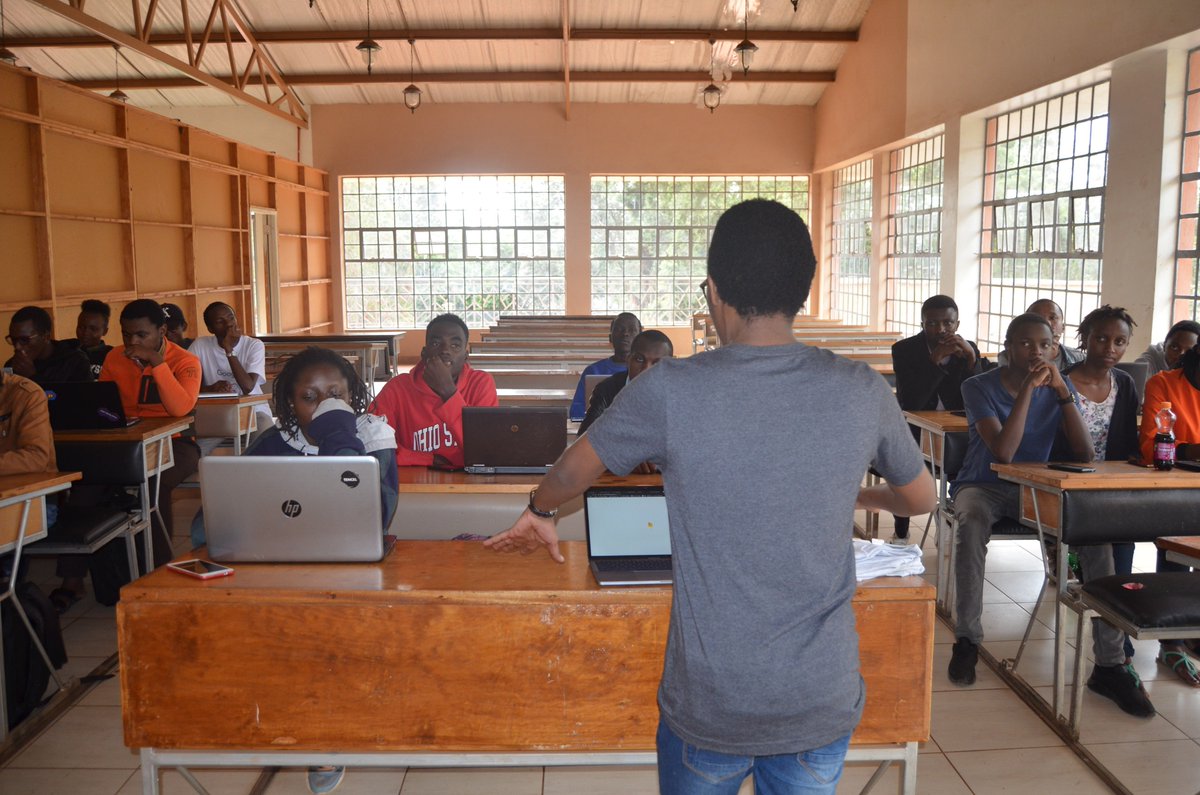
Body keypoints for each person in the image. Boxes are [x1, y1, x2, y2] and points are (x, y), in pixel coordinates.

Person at [485, 199, 936, 795]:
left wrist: (539, 512)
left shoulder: (671, 388)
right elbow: (922, 497)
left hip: (711, 705)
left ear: (714, 290)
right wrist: (854, 498)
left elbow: (572, 472)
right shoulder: (861, 388)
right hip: (816, 699)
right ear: (805, 287)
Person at [948, 314, 1099, 692]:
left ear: (1055, 348)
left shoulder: (1059, 388)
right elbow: (1004, 453)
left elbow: (1085, 453)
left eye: (1045, 345)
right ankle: (967, 638)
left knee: (1097, 533)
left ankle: (1112, 661)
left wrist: (1063, 392)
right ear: (1008, 347)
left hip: (1035, 486)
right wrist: (1031, 390)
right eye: (1026, 344)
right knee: (970, 522)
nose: (1036, 352)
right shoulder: (977, 387)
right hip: (984, 483)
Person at [192, 347, 398, 547]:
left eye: (336, 396)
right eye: (309, 397)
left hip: (353, 558)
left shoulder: (373, 438)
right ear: (291, 401)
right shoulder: (274, 443)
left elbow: (376, 520)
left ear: (350, 396)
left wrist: (338, 435)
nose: (325, 406)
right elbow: (206, 528)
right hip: (278, 554)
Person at [1058, 306, 1152, 709]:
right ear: (1084, 338)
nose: (1110, 348)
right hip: (1065, 485)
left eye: (1119, 341)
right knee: (1105, 550)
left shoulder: (1126, 384)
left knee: (1124, 544)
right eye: (1101, 339)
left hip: (1108, 486)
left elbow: (1125, 446)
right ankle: (1112, 661)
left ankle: (1117, 630)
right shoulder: (1058, 383)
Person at [99, 300, 201, 562]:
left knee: (155, 483)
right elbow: (102, 408)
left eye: (141, 335)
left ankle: (160, 567)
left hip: (177, 443)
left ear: (162, 331)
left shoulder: (185, 361)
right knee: (88, 483)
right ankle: (73, 580)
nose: (133, 341)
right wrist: (118, 420)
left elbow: (180, 408)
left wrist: (158, 364)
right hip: (128, 442)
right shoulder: (114, 358)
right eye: (125, 334)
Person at [889, 294, 984, 539]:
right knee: (905, 469)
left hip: (955, 430)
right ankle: (901, 532)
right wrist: (934, 362)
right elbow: (911, 402)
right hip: (915, 427)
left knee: (972, 454)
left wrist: (972, 361)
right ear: (922, 325)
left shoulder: (967, 349)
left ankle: (953, 512)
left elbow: (979, 397)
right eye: (932, 324)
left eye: (947, 323)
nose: (941, 330)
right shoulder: (904, 350)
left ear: (957, 325)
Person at [1138, 342, 1200, 688]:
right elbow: (1151, 448)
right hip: (1172, 486)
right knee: (1178, 532)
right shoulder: (1164, 383)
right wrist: (1191, 449)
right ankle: (1172, 641)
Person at [369, 313, 497, 468]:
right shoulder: (397, 388)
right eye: (436, 344)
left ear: (466, 356)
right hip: (415, 485)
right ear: (424, 354)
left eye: (455, 346)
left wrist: (448, 392)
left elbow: (485, 450)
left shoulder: (480, 384)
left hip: (470, 484)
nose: (445, 351)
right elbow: (372, 443)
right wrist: (429, 459)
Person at [189, 301, 273, 432]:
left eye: (231, 317)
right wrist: (210, 388)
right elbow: (186, 387)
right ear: (210, 329)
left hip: (254, 411)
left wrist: (228, 349)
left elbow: (248, 387)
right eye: (220, 321)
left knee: (265, 440)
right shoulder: (200, 345)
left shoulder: (254, 345)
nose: (229, 324)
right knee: (198, 447)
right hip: (217, 414)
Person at [577, 329, 673, 435]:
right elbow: (586, 440)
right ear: (628, 360)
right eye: (639, 360)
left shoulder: (679, 394)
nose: (646, 369)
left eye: (657, 364)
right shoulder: (606, 391)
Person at [568, 312, 642, 420]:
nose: (625, 334)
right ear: (610, 338)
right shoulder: (593, 371)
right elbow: (577, 411)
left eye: (631, 330)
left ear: (640, 337)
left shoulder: (646, 370)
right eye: (619, 329)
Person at [4, 305, 92, 385]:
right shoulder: (12, 365)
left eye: (24, 340)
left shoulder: (75, 361)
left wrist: (32, 377)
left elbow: (82, 400)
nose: (17, 346)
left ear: (46, 337)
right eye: (13, 339)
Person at [997, 298, 1084, 370]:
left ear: (1063, 327)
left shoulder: (1079, 358)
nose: (1047, 324)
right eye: (1038, 319)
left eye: (1053, 318)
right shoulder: (1009, 357)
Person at [61, 299, 114, 379]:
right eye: (81, 327)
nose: (85, 332)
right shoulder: (66, 351)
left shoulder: (112, 356)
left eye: (93, 329)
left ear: (105, 331)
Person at [1134, 319, 1200, 378]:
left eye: (1189, 351)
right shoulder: (1147, 364)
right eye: (1174, 347)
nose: (1180, 355)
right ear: (1164, 345)